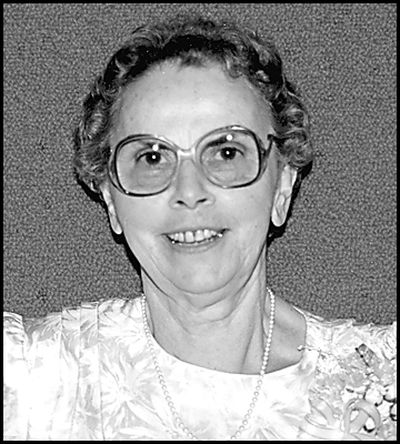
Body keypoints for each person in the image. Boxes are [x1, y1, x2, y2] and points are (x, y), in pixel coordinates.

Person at [3, 15, 396, 441]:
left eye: (226, 152)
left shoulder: (380, 380)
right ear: (111, 198)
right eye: (152, 158)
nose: (189, 192)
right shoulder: (28, 381)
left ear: (282, 185)